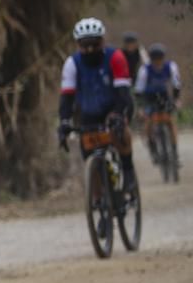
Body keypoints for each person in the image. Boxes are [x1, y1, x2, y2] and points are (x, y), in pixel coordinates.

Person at [57, 17, 138, 193]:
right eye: (85, 45)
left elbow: (123, 93)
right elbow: (67, 98)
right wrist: (64, 122)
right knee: (88, 154)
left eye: (94, 44)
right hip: (88, 112)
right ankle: (99, 200)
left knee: (120, 131)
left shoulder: (115, 57)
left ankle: (128, 170)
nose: (90, 49)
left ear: (102, 41)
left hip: (114, 105)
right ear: (78, 45)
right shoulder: (72, 64)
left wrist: (118, 114)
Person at [135, 42, 182, 165]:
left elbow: (176, 85)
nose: (158, 62)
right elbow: (139, 90)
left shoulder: (171, 66)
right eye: (155, 60)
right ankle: (153, 149)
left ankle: (174, 151)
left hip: (164, 96)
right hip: (149, 98)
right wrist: (140, 107)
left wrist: (177, 100)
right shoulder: (144, 70)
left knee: (170, 121)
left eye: (160, 59)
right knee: (149, 123)